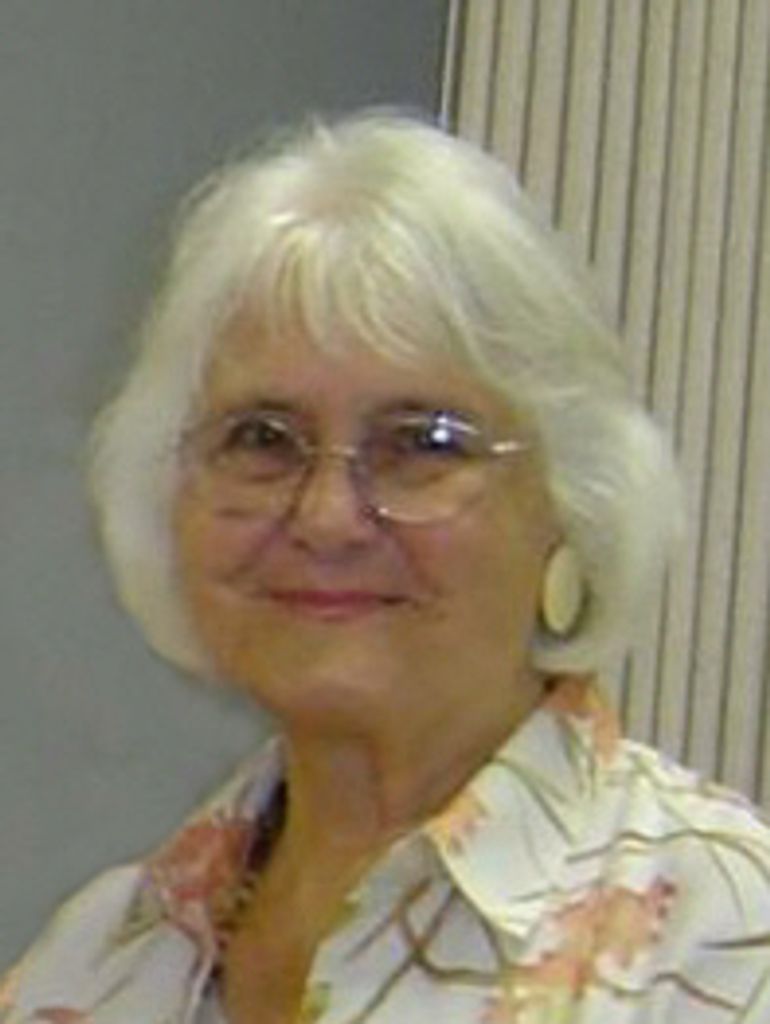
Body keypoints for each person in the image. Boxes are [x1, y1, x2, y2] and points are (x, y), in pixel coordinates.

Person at [2, 111, 769, 1024]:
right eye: (262, 439)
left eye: (423, 444)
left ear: (572, 502)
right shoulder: (95, 964)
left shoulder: (727, 944)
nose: (327, 518)